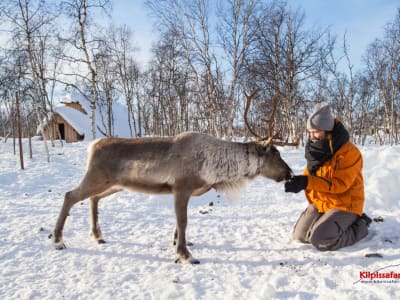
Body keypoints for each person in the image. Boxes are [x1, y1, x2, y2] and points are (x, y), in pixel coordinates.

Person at [284, 102, 372, 251]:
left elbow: (339, 184)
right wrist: (298, 181)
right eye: (310, 132)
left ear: (327, 130)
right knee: (300, 236)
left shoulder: (349, 152)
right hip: (323, 202)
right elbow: (309, 175)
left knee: (321, 240)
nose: (312, 136)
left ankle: (361, 224)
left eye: (316, 131)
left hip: (344, 204)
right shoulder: (316, 149)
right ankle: (326, 221)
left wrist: (307, 182)